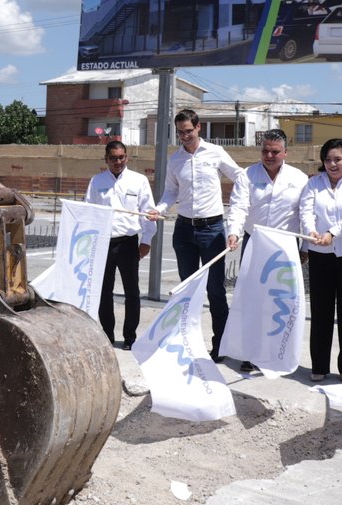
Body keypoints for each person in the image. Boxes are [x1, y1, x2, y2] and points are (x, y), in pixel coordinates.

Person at [149, 109, 246, 362]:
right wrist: (158, 209)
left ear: (198, 127)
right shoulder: (175, 160)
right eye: (180, 133)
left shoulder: (216, 152)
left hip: (212, 230)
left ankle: (220, 345)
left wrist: (236, 221)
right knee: (186, 291)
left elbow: (240, 177)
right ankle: (186, 343)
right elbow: (170, 192)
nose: (184, 136)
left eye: (188, 131)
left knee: (215, 290)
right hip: (183, 231)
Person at [226, 129, 309, 373]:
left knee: (281, 303)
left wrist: (306, 248)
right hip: (256, 244)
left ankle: (277, 352)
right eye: (265, 151)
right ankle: (251, 353)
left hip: (285, 248)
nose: (269, 155)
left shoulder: (299, 178)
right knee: (253, 301)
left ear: (285, 152)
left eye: (275, 151)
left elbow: (305, 215)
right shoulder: (247, 175)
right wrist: (233, 232)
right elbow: (239, 207)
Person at [300, 138, 342, 382]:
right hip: (321, 257)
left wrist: (333, 233)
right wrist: (312, 232)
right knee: (321, 313)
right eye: (328, 159)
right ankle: (319, 366)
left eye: (337, 159)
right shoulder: (313, 185)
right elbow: (305, 211)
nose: (332, 164)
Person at [84, 140, 155, 350]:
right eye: (114, 158)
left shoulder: (139, 181)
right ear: (106, 159)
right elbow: (89, 213)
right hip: (104, 243)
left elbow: (148, 212)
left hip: (128, 243)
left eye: (122, 157)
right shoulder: (97, 182)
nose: (118, 162)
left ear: (127, 157)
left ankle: (130, 337)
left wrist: (147, 241)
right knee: (104, 292)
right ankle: (107, 335)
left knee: (132, 291)